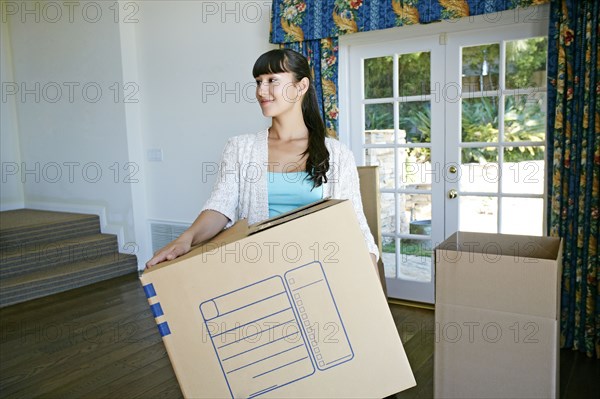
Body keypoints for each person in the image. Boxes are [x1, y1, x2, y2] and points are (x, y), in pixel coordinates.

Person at [146, 48, 379, 276]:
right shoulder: (240, 148)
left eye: (271, 80)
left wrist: (369, 282)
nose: (261, 91)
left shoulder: (337, 154)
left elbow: (354, 221)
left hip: (318, 271)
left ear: (301, 87)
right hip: (259, 271)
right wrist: (186, 238)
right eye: (258, 81)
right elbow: (221, 206)